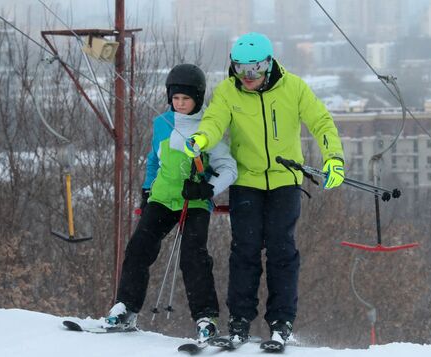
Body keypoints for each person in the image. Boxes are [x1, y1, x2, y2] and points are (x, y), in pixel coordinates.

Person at [184, 32, 345, 344]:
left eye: (254, 69)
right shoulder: (229, 92)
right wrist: (202, 139)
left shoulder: (293, 88)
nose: (247, 76)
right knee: (244, 250)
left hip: (285, 181)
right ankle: (240, 320)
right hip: (247, 181)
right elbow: (215, 121)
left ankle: (282, 321)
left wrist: (334, 159)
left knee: (282, 249)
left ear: (269, 64)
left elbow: (321, 122)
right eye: (241, 68)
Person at [105, 63, 237, 342]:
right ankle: (126, 307)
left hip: (195, 203)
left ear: (198, 98)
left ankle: (206, 317)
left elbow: (229, 169)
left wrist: (207, 189)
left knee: (193, 256)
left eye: (186, 99)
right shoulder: (162, 123)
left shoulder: (208, 127)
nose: (180, 104)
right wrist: (146, 189)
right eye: (175, 98)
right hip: (163, 198)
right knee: (139, 247)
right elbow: (154, 160)